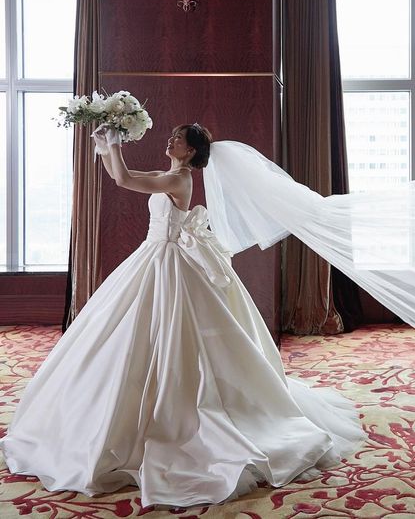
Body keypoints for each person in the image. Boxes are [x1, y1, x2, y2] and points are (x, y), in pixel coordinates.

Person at [0, 123, 366, 508]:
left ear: (190, 152)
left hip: (169, 262)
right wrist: (106, 147)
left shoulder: (179, 180)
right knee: (129, 333)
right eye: (172, 136)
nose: (170, 140)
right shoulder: (169, 175)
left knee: (171, 336)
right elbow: (122, 175)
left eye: (177, 138)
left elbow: (125, 179)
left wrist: (115, 144)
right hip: (153, 257)